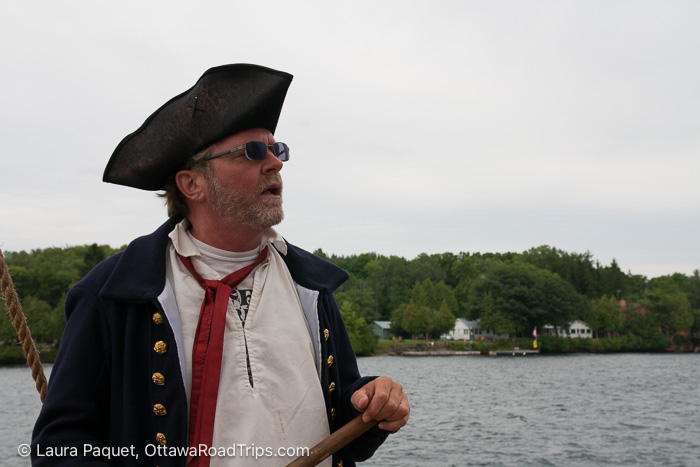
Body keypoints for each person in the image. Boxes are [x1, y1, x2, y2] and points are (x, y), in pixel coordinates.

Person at [31, 64, 409, 467]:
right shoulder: (112, 294)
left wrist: (372, 403)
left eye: (276, 149)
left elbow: (340, 426)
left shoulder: (311, 285)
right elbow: (61, 446)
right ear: (192, 184)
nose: (275, 164)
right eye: (253, 152)